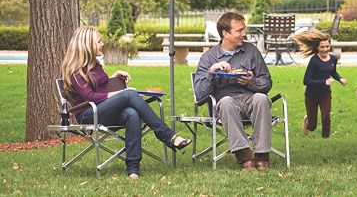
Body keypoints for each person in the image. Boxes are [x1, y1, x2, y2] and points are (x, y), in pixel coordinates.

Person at [61, 26, 191, 179]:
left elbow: (99, 88)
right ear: (87, 45)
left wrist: (113, 79)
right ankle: (168, 136)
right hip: (88, 114)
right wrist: (121, 93)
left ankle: (133, 169)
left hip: (102, 111)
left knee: (132, 114)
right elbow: (90, 96)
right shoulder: (76, 71)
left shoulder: (95, 65)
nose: (102, 44)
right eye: (99, 41)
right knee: (129, 94)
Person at [194, 12, 273, 171]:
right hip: (225, 104)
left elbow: (266, 82)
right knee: (226, 102)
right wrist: (211, 72)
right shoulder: (209, 58)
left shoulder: (251, 51)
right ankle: (244, 157)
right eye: (239, 31)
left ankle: (262, 156)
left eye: (244, 29)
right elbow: (200, 94)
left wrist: (252, 82)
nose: (244, 34)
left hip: (250, 101)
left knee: (262, 98)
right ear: (225, 33)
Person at [294, 29, 347, 138]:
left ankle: (325, 139)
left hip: (325, 94)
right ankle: (307, 120)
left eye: (327, 46)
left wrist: (340, 78)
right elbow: (306, 81)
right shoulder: (314, 61)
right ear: (317, 47)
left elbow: (333, 72)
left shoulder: (333, 59)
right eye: (322, 47)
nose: (325, 49)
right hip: (311, 95)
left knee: (326, 117)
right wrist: (324, 82)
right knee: (312, 126)